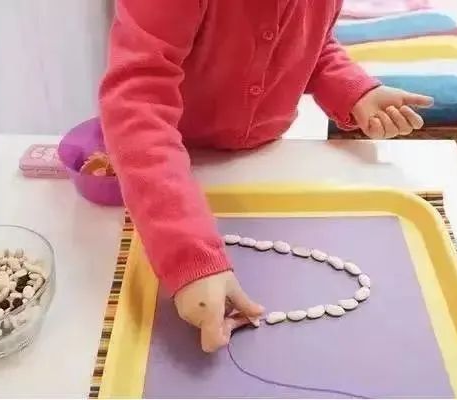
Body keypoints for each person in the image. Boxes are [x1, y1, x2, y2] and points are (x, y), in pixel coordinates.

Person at [98, 0, 433, 353]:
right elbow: (138, 99)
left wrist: (354, 89)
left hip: (267, 161)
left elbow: (314, 46)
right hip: (170, 168)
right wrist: (187, 255)